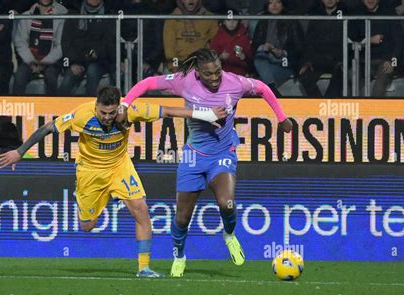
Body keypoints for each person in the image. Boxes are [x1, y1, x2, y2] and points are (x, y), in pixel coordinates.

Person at [0, 86, 227, 277]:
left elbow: (168, 111)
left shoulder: (131, 112)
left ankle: (144, 267)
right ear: (96, 106)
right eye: (102, 112)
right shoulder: (82, 115)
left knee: (142, 211)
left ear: (119, 107)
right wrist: (20, 151)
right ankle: (92, 199)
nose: (107, 117)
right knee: (87, 226)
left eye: (111, 112)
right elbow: (48, 128)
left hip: (119, 167)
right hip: (90, 172)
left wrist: (207, 115)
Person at [119, 48, 293, 277]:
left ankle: (229, 235)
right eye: (209, 74)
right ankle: (179, 255)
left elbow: (262, 88)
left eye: (218, 72)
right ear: (198, 73)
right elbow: (149, 84)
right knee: (182, 218)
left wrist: (281, 118)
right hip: (193, 157)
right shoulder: (184, 82)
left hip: (223, 153)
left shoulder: (235, 83)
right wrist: (124, 104)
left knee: (227, 203)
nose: (214, 78)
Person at [58, 0, 115, 96]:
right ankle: (57, 107)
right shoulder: (74, 13)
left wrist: (97, 53)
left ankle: (90, 105)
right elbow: (66, 42)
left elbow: (110, 42)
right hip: (78, 60)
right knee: (68, 78)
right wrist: (73, 63)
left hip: (101, 61)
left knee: (92, 70)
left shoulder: (109, 13)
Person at [12, 0, 68, 95]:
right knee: (19, 75)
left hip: (52, 61)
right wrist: (31, 61)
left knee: (51, 76)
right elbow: (20, 42)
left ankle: (52, 108)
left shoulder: (61, 15)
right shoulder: (27, 15)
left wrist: (44, 62)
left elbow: (60, 45)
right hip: (30, 60)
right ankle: (17, 108)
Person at [251, 0, 305, 97]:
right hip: (265, 62)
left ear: (283, 4)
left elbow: (299, 48)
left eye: (278, 2)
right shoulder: (262, 21)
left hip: (284, 64)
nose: (274, 5)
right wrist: (263, 47)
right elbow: (254, 47)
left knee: (259, 82)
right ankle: (273, 90)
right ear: (267, 5)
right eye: (271, 2)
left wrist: (282, 52)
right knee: (259, 59)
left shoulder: (291, 21)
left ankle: (271, 92)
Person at [298, 0, 347, 98]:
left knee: (340, 76)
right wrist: (307, 61)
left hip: (337, 61)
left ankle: (327, 106)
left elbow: (349, 41)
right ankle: (319, 104)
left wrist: (344, 61)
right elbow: (309, 41)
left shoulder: (346, 15)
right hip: (318, 60)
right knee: (304, 76)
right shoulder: (316, 15)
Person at [163, 0, 218, 73]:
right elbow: (170, 49)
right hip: (179, 65)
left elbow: (213, 44)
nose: (191, 1)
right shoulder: (172, 19)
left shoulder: (210, 18)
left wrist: (206, 65)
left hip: (202, 64)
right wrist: (175, 67)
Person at [210, 10, 253, 76]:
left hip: (240, 75)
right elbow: (211, 58)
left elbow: (251, 59)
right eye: (228, 20)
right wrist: (220, 57)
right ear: (224, 21)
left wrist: (244, 57)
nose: (231, 23)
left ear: (238, 21)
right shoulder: (217, 36)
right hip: (222, 74)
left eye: (235, 20)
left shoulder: (244, 36)